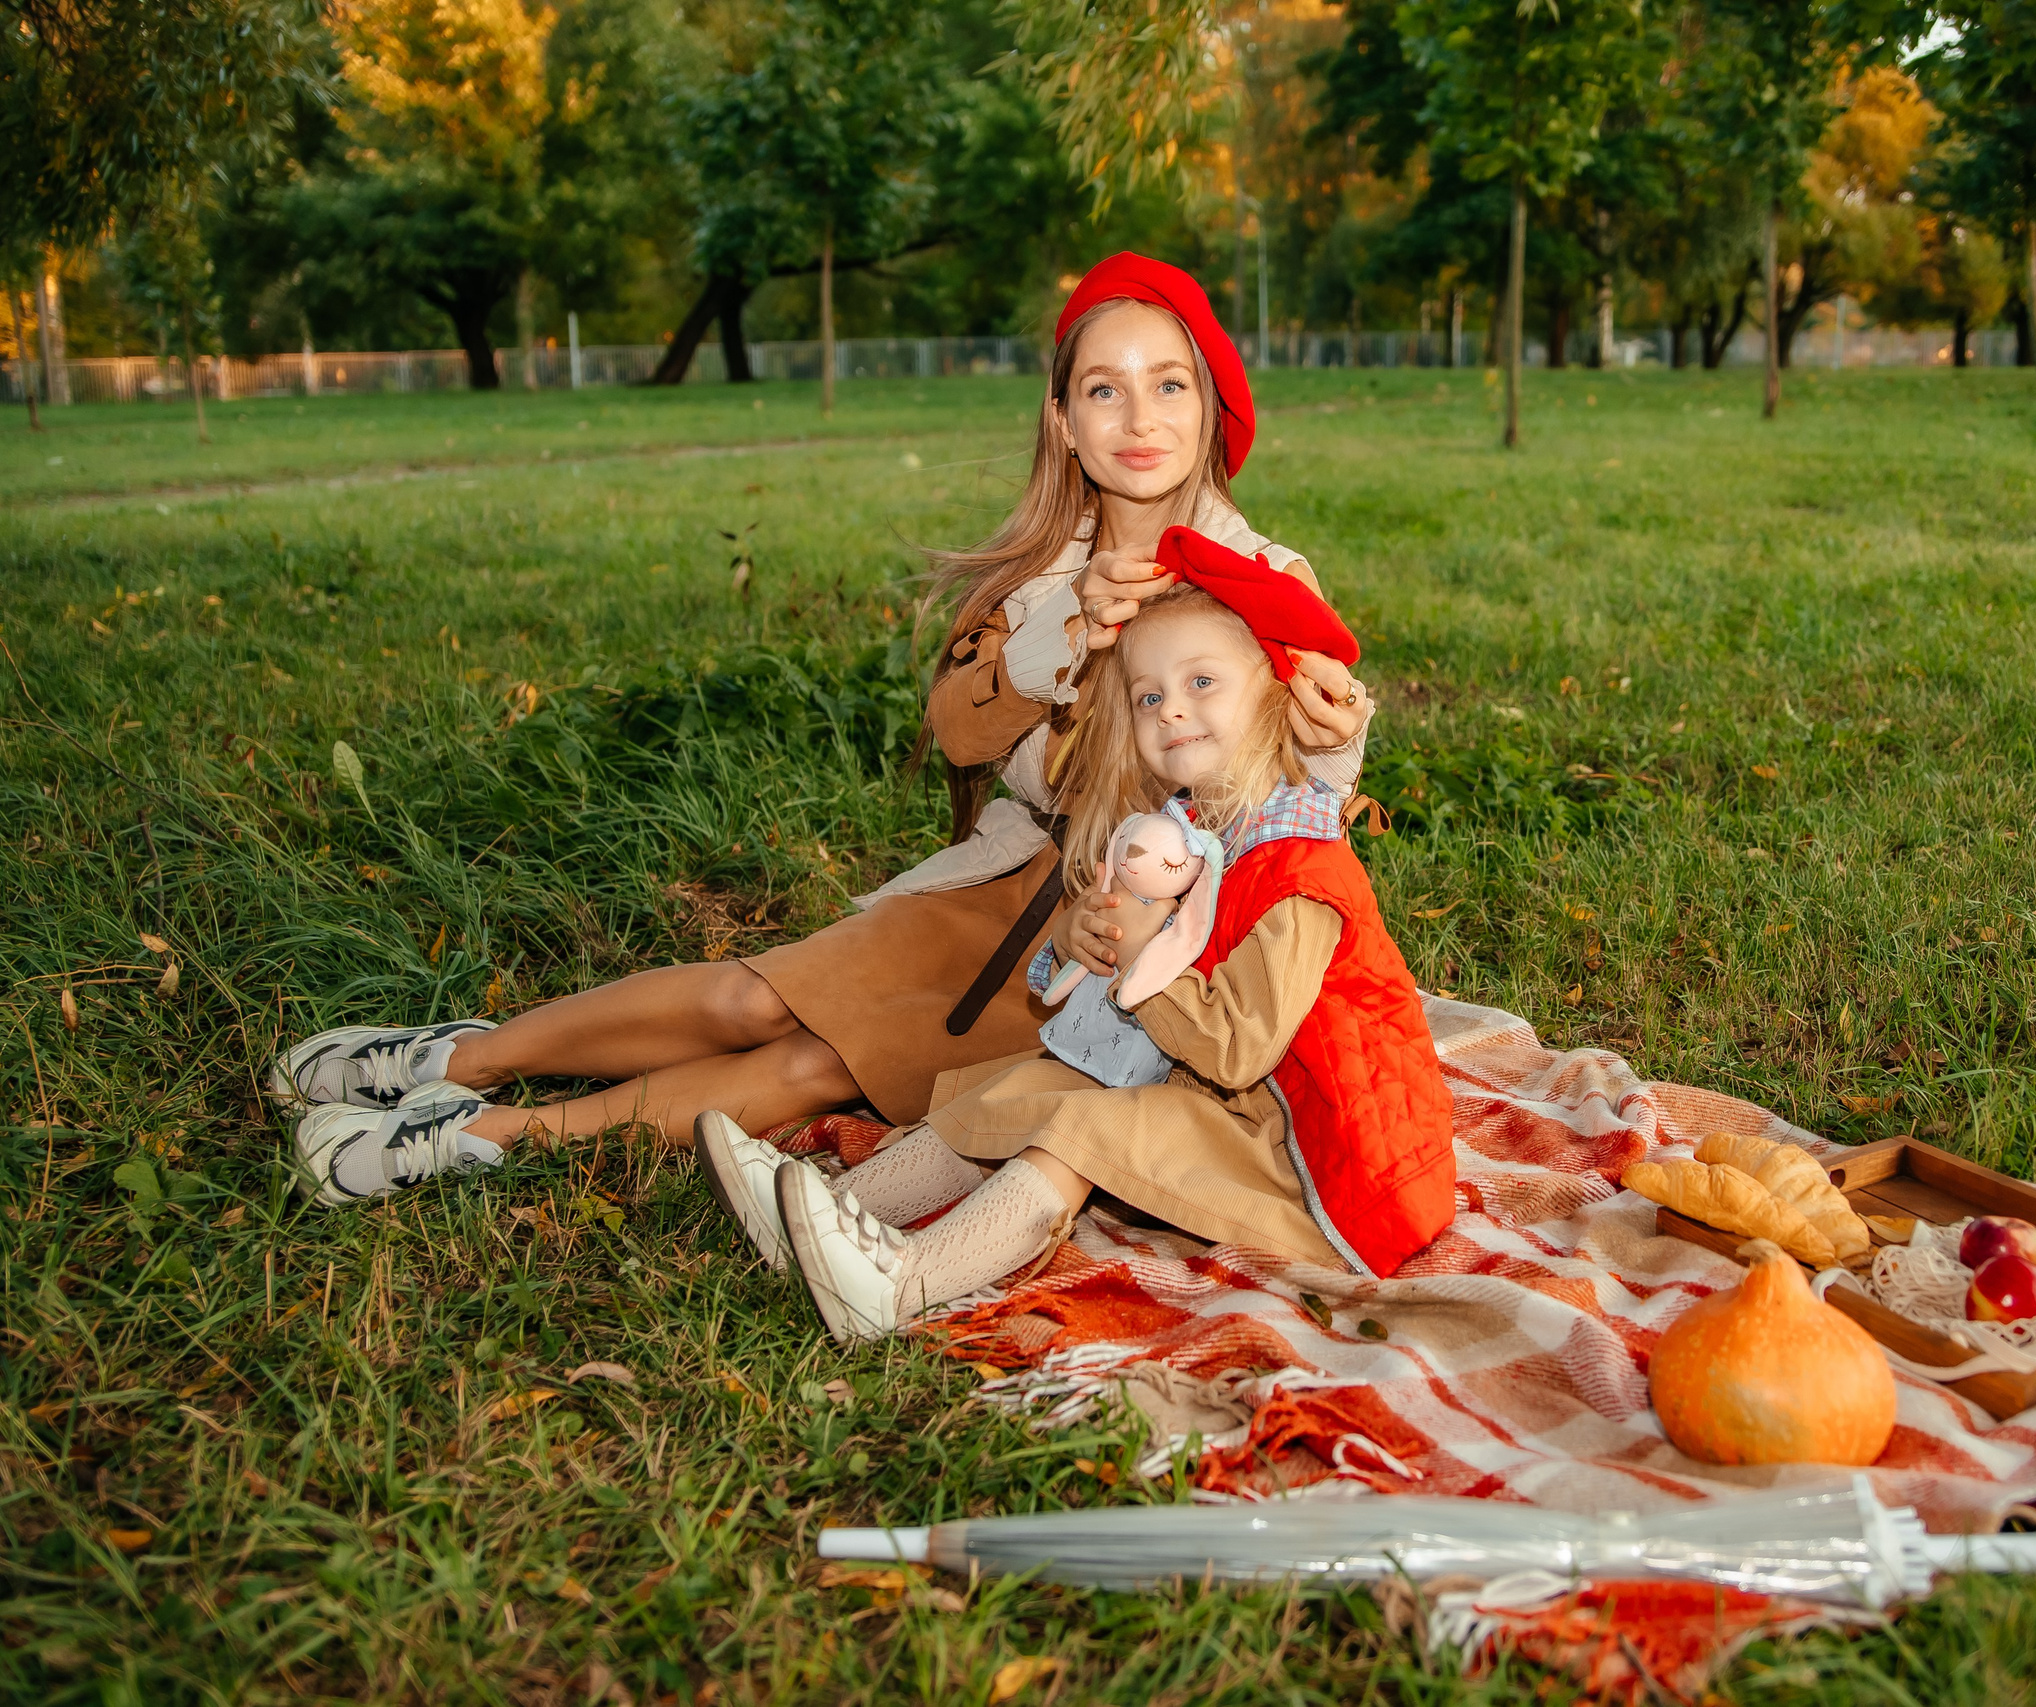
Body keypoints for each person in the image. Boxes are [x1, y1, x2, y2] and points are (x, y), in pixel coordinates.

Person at [274, 254, 1374, 1206]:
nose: (1140, 419)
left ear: (1211, 407)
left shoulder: (1268, 582)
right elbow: (954, 733)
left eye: (1168, 384)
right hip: (1013, 873)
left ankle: (469, 1142)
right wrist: (1066, 635)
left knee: (814, 1064)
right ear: (1063, 420)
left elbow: (1299, 799)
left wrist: (1334, 739)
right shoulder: (1043, 569)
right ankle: (458, 1058)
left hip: (1116, 936)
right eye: (1105, 389)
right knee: (749, 993)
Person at [694, 538, 1455, 1342]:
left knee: (1080, 1129)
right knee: (1031, 1086)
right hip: (1234, 1105)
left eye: (1202, 682)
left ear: (1271, 694)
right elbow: (1143, 972)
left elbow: (1235, 1046)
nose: (1172, 711)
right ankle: (830, 1214)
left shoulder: (1303, 870)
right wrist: (1085, 937)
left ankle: (896, 1285)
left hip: (1327, 1165)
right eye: (1148, 696)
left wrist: (1140, 950)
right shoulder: (1195, 832)